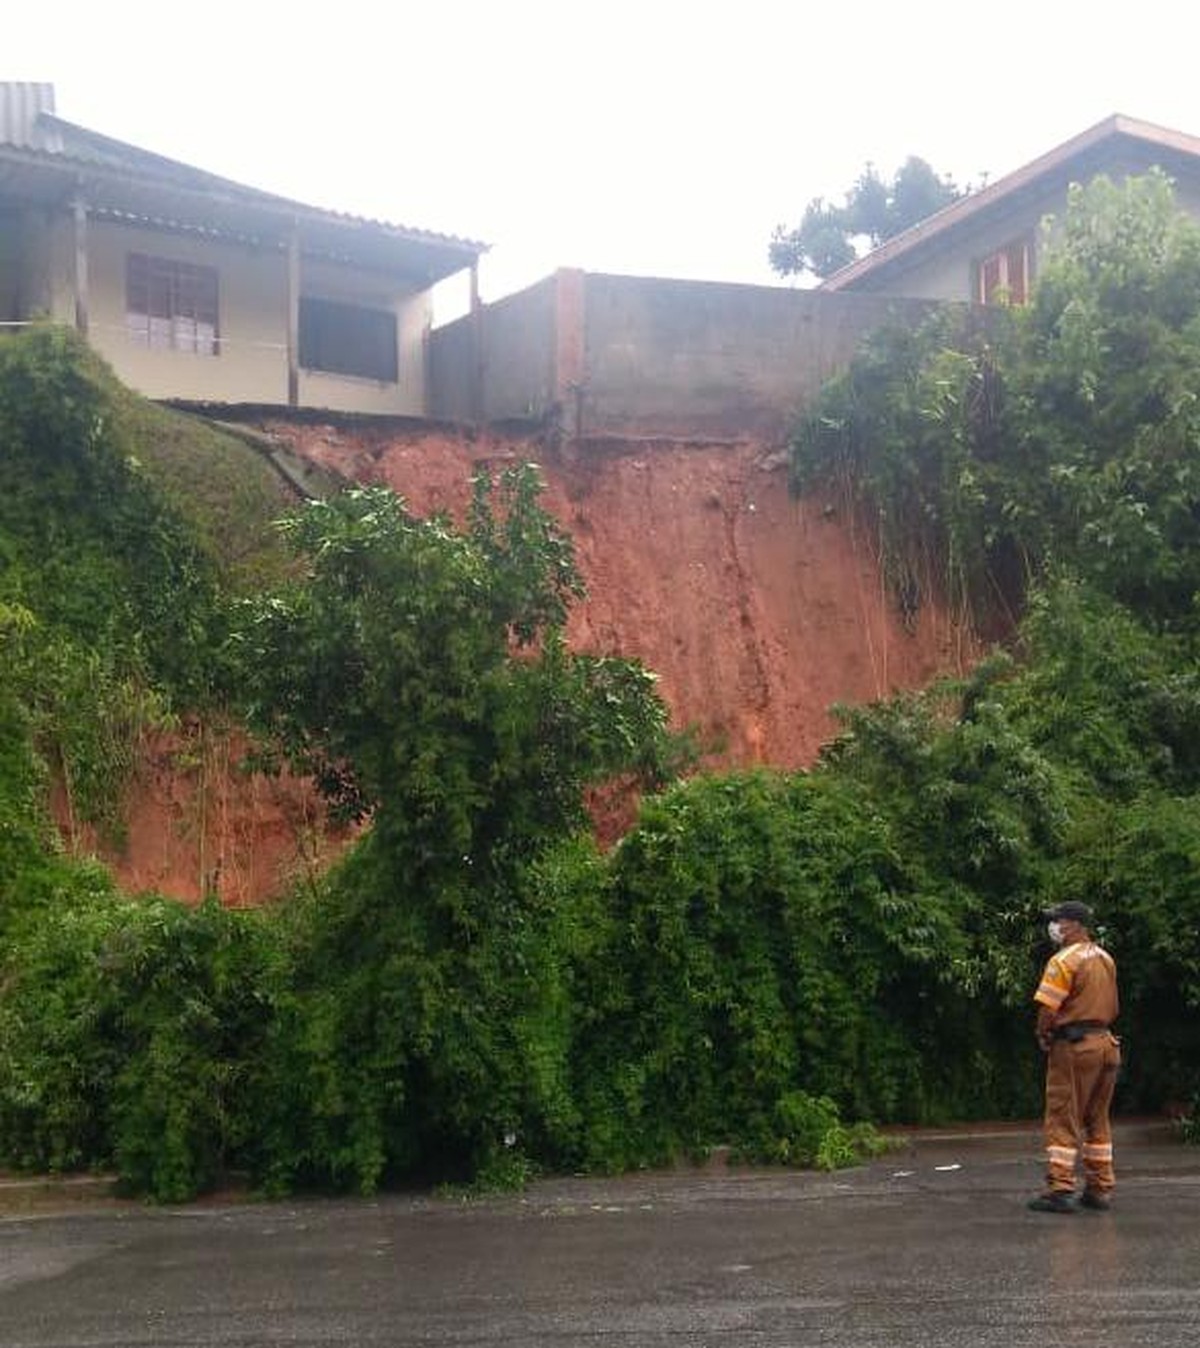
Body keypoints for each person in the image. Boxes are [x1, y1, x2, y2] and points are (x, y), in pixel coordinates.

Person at [1027, 900, 1121, 1213]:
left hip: (1075, 1047)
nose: (1054, 926)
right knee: (1097, 1118)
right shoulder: (1105, 958)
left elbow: (1049, 1008)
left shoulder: (1063, 960)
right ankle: (1099, 1189)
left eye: (1059, 920)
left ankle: (1060, 1188)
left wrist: (1043, 1034)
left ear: (1077, 925)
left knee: (1062, 1115)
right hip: (1107, 1044)